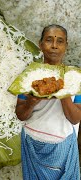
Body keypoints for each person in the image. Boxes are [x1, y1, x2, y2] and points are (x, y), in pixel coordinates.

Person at [15, 24, 81, 179]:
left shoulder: (75, 78)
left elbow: (75, 118)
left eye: (60, 41)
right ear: (41, 44)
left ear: (66, 46)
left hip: (62, 146)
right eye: (49, 40)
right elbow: (20, 114)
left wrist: (62, 91)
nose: (54, 46)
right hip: (33, 143)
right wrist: (32, 101)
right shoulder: (28, 76)